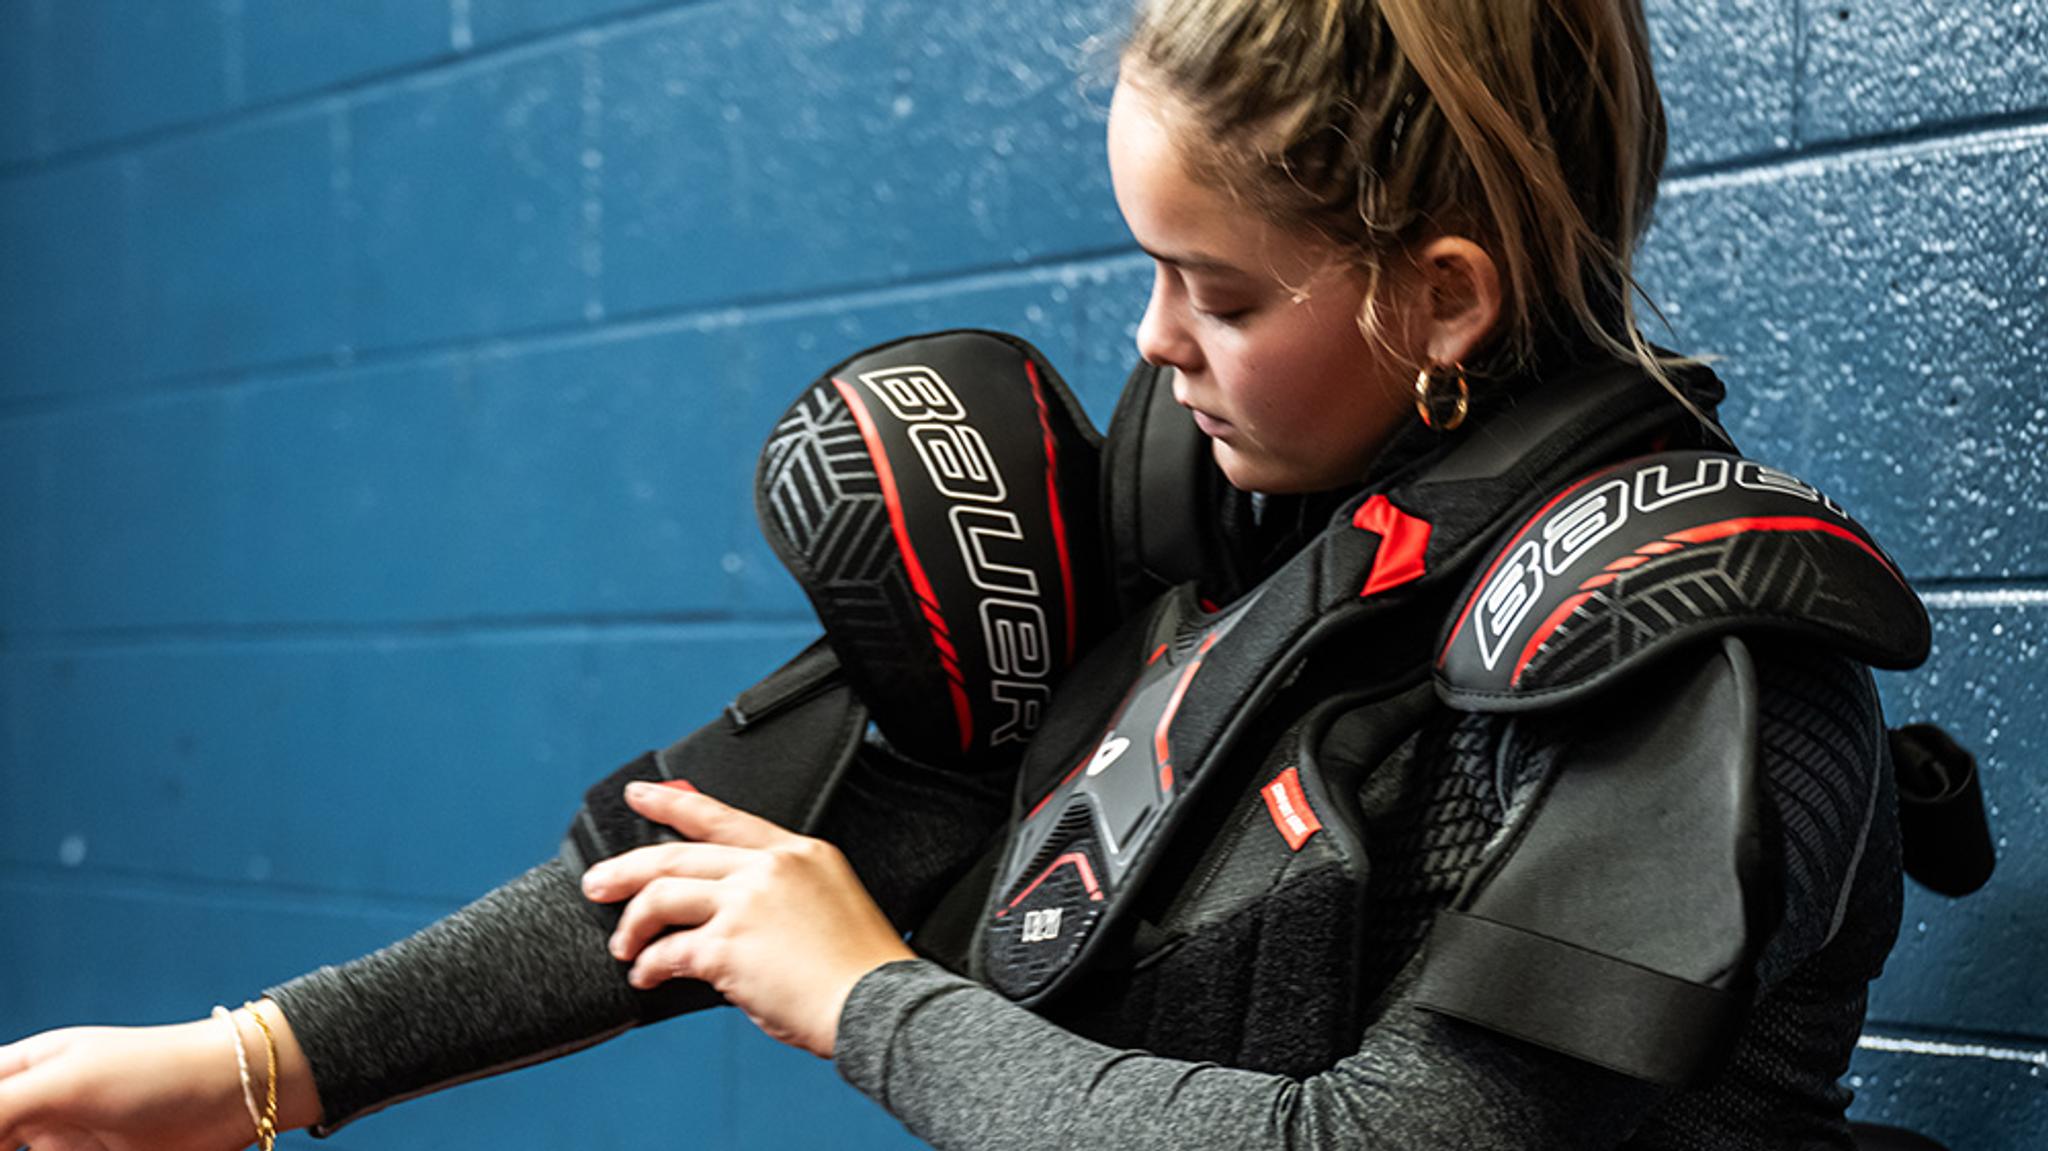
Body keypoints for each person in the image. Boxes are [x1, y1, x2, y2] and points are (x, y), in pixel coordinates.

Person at [0, 0, 1925, 1147]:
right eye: (1152, 270)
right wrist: (244, 1070)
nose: (1154, 342)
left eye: (1219, 291)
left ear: (1440, 298)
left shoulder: (1683, 654)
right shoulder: (1215, 534)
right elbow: (709, 863)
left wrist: (870, 1000)